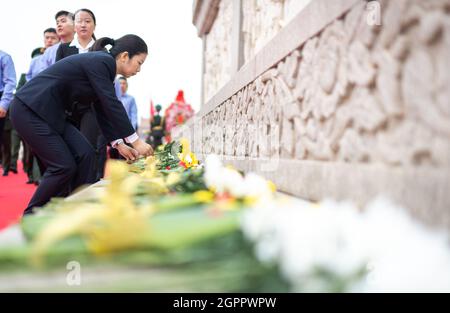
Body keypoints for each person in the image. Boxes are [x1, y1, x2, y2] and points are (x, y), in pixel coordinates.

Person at [10, 34, 153, 215]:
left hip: (52, 115)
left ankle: (74, 208)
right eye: (139, 63)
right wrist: (136, 141)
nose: (139, 69)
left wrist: (119, 144)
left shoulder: (104, 70)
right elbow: (111, 103)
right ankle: (31, 215)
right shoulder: (102, 62)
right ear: (125, 56)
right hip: (30, 109)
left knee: (86, 154)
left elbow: (101, 109)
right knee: (63, 166)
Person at [109, 76, 138, 159]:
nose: (122, 85)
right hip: (113, 129)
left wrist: (131, 131)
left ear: (127, 86)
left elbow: (134, 115)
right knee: (113, 151)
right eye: (120, 83)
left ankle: (124, 170)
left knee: (125, 154)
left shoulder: (131, 99)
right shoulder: (112, 98)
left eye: (124, 83)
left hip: (125, 129)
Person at [0, 50, 16, 176]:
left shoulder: (4, 57)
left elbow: (10, 82)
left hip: (1, 100)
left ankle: (6, 166)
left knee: (5, 140)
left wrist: (3, 104)